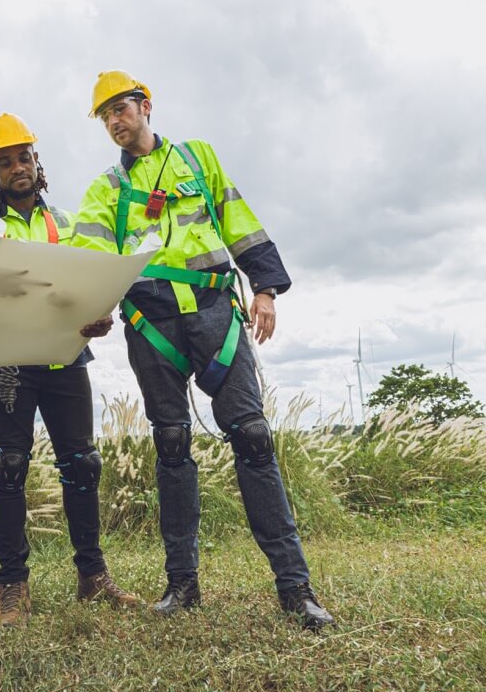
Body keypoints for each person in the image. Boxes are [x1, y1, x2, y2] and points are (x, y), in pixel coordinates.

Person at [72, 71, 335, 630]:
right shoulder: (105, 189)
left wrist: (264, 288)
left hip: (217, 313)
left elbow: (238, 221)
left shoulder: (198, 159)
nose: (116, 120)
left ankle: (296, 588)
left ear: (146, 105)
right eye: (106, 115)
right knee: (170, 443)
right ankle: (182, 584)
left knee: (254, 436)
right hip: (151, 321)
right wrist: (90, 306)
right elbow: (90, 254)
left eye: (122, 108)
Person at [0, 113, 141, 629]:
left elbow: (90, 284)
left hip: (64, 357)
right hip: (8, 362)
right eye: (5, 161)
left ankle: (92, 576)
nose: (18, 168)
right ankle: (12, 586)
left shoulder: (67, 224)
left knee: (83, 464)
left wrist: (98, 315)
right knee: (10, 467)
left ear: (36, 161)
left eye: (24, 158)